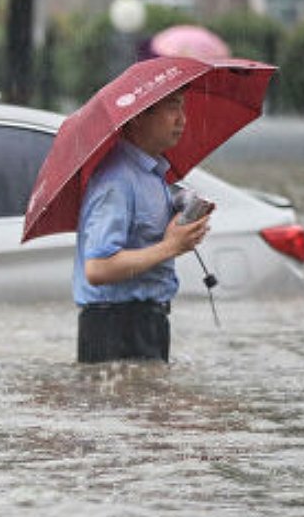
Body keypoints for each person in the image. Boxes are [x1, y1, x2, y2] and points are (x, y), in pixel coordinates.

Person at [72, 90, 211, 363]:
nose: (182, 119)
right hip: (114, 325)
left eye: (183, 108)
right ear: (137, 117)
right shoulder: (116, 181)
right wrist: (171, 247)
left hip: (148, 320)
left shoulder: (152, 174)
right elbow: (98, 268)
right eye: (172, 108)